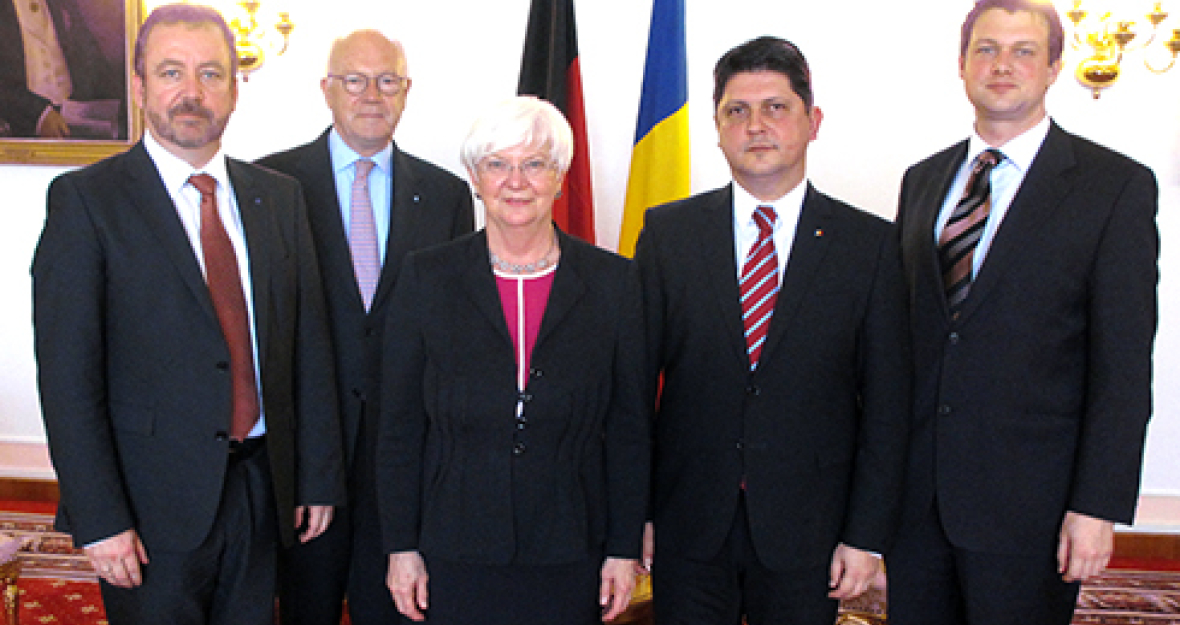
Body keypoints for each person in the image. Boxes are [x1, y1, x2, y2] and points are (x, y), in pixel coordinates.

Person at [31, 4, 344, 624]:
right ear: (141, 85)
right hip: (148, 511)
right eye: (171, 72)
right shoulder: (87, 203)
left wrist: (318, 477)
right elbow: (69, 382)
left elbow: (306, 347)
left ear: (235, 88)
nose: (192, 92)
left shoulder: (277, 199)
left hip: (261, 492)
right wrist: (101, 519)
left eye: (211, 73)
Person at [887, 1, 1159, 624]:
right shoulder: (922, 181)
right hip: (915, 506)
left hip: (1031, 510)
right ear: (961, 65)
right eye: (986, 49)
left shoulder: (1113, 186)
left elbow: (1121, 367)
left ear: (1055, 67)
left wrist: (1097, 507)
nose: (1002, 65)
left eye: (1023, 50)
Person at [633, 36, 911, 625]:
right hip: (688, 525)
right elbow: (632, 392)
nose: (756, 126)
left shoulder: (870, 246)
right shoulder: (668, 235)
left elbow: (888, 405)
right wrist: (636, 513)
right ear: (716, 127)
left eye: (775, 108)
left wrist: (866, 535)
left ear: (813, 122)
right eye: (737, 110)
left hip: (810, 530)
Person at [376, 95, 649, 625]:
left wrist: (622, 547)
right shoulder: (426, 278)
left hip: (572, 545)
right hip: (454, 545)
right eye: (497, 164)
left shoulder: (614, 283)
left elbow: (629, 428)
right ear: (476, 179)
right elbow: (398, 428)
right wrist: (400, 547)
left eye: (534, 164)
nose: (515, 181)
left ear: (559, 176)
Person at [257, 28, 474, 625]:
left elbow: (454, 335)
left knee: (399, 611)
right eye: (355, 80)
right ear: (327, 90)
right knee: (306, 608)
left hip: (407, 463)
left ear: (406, 92)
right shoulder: (269, 187)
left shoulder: (447, 194)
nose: (371, 94)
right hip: (306, 461)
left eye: (388, 81)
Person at [0, 0, 125, 137]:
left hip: (73, 121)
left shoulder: (63, 3)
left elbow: (92, 59)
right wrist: (38, 115)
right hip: (20, 129)